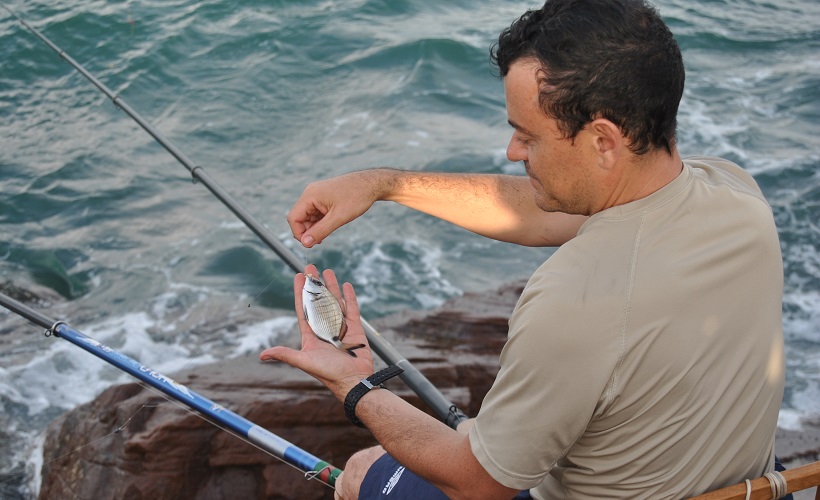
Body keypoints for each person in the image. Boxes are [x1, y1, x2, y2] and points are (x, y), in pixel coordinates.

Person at [260, 0, 786, 498]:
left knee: (360, 472)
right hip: (737, 484)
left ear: (603, 140)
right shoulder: (736, 195)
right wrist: (385, 185)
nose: (513, 152)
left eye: (527, 136)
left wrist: (357, 386)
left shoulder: (573, 298)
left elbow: (479, 485)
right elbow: (539, 212)